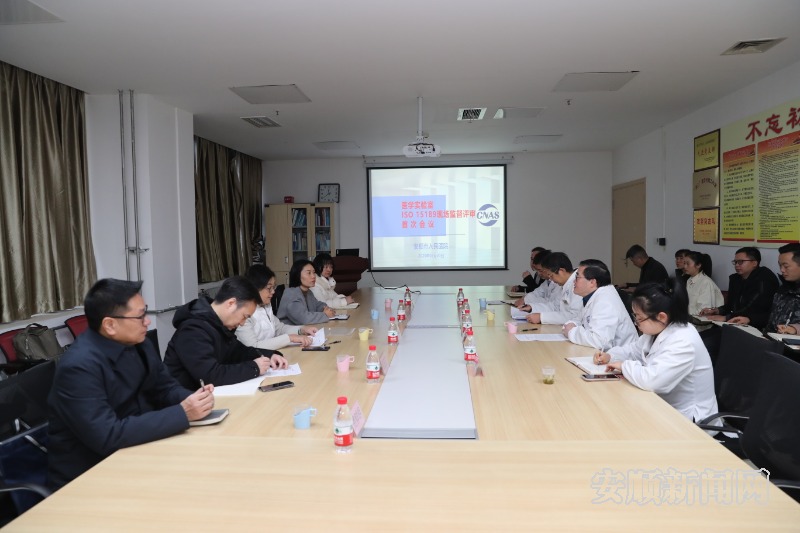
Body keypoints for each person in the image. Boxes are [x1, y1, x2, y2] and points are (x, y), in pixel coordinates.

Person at [48, 279, 215, 490]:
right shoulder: (78, 367)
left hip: (140, 449)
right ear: (110, 325)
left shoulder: (138, 343)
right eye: (140, 316)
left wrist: (193, 399)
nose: (148, 322)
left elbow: (164, 388)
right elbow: (108, 436)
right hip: (92, 474)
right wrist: (183, 413)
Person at [594, 282, 718, 423]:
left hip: (690, 421)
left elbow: (653, 381)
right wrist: (610, 356)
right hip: (662, 406)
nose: (636, 323)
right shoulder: (658, 329)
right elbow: (633, 350)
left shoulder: (684, 340)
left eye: (639, 318)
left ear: (661, 317)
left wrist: (623, 366)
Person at [164, 276, 288, 390]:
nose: (242, 323)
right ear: (231, 304)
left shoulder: (217, 323)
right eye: (244, 316)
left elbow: (239, 351)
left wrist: (269, 355)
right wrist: (254, 368)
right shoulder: (193, 329)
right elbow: (210, 376)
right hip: (184, 400)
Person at [237, 264, 318, 350]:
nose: (273, 292)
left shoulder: (265, 306)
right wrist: (290, 338)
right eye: (269, 288)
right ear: (254, 288)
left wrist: (301, 329)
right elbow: (253, 346)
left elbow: (280, 329)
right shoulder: (243, 313)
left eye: (273, 287)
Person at [562, 259, 638, 350]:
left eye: (577, 277)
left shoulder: (606, 301)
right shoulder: (593, 296)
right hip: (602, 353)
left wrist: (571, 332)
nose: (573, 281)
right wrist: (571, 325)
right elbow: (579, 319)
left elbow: (600, 341)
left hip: (619, 356)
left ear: (592, 282)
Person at [699, 247, 779, 329]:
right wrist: (717, 311)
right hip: (734, 323)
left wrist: (726, 318)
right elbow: (730, 305)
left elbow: (752, 307)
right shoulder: (735, 279)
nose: (737, 265)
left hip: (755, 325)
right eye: (735, 262)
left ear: (754, 263)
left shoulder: (764, 279)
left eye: (740, 262)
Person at [521, 252, 582, 325]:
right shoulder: (565, 283)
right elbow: (555, 306)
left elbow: (574, 316)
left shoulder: (578, 284)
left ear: (561, 271)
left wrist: (542, 317)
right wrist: (532, 308)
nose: (551, 280)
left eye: (551, 276)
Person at [277, 259, 337, 325]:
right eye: (309, 273)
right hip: (290, 330)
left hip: (305, 328)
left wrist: (327, 309)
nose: (313, 276)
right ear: (297, 275)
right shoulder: (291, 294)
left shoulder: (308, 292)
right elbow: (304, 319)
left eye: (314, 272)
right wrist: (325, 315)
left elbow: (318, 305)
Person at [764, 243, 800, 334]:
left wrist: (795, 330)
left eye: (786, 266)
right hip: (772, 338)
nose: (782, 270)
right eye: (780, 266)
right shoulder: (783, 289)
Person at [683, 251, 723, 316]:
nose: (685, 266)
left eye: (688, 263)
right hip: (690, 317)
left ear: (698, 265)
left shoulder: (706, 282)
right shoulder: (689, 280)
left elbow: (703, 311)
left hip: (701, 320)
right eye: (684, 263)